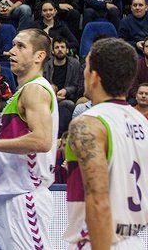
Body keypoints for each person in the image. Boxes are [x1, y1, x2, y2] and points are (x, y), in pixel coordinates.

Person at [0, 29, 59, 249]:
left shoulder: (36, 89)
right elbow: (16, 160)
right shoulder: (21, 92)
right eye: (13, 45)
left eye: (20, 46)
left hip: (25, 198)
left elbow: (42, 141)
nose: (11, 51)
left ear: (39, 56)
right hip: (4, 196)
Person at [64, 38, 148, 248]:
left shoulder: (88, 123)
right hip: (134, 239)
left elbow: (98, 200)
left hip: (99, 239)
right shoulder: (141, 121)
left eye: (86, 66)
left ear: (93, 76)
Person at [43, 37, 84, 134]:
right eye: (57, 47)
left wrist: (66, 90)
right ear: (52, 51)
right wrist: (52, 92)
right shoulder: (46, 65)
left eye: (62, 47)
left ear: (67, 50)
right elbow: (43, 82)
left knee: (68, 104)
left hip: (67, 98)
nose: (60, 49)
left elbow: (76, 85)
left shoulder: (74, 64)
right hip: (49, 97)